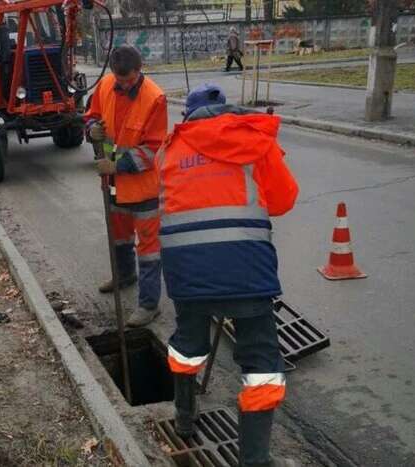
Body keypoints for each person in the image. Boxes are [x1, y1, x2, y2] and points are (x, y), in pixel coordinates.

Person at [157, 83, 299, 467]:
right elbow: (284, 200)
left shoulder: (168, 151)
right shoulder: (255, 142)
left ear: (187, 117)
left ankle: (184, 419)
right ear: (229, 111)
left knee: (187, 349)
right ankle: (254, 459)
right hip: (247, 274)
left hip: (187, 277)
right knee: (261, 365)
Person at [85, 45, 168, 327]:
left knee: (149, 250)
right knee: (119, 238)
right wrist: (91, 129)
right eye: (120, 81)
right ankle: (124, 275)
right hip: (112, 184)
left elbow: (152, 148)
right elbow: (92, 116)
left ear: (139, 69)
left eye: (129, 80)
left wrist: (116, 165)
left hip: (142, 187)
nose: (124, 85)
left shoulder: (154, 98)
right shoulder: (106, 85)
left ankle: (148, 305)